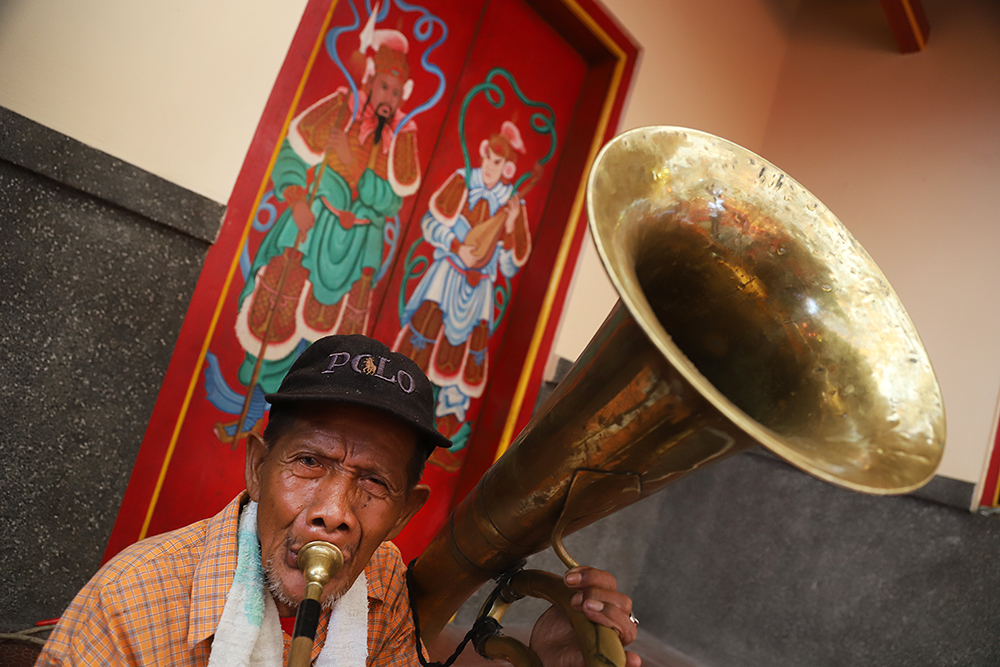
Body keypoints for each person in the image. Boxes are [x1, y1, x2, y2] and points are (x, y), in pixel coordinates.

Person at [36, 335, 640, 667]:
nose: (334, 511)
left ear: (404, 513)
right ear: (255, 465)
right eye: (308, 463)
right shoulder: (134, 602)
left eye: (373, 483)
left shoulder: (382, 579)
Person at [224, 25, 423, 443]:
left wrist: (353, 161)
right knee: (277, 320)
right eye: (383, 86)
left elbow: (390, 199)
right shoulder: (339, 108)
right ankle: (254, 418)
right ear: (369, 80)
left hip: (355, 252)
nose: (388, 98)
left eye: (396, 92)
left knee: (331, 350)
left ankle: (298, 435)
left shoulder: (402, 138)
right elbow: (292, 152)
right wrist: (297, 199)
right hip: (312, 232)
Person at [393, 121, 532, 441]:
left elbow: (510, 267)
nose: (489, 168)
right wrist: (457, 246)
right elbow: (431, 224)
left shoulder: (513, 205)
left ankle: (441, 431)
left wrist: (510, 227)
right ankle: (396, 403)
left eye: (497, 163)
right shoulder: (462, 182)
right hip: (447, 275)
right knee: (422, 336)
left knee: (465, 352)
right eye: (487, 158)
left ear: (507, 168)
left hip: (479, 287)